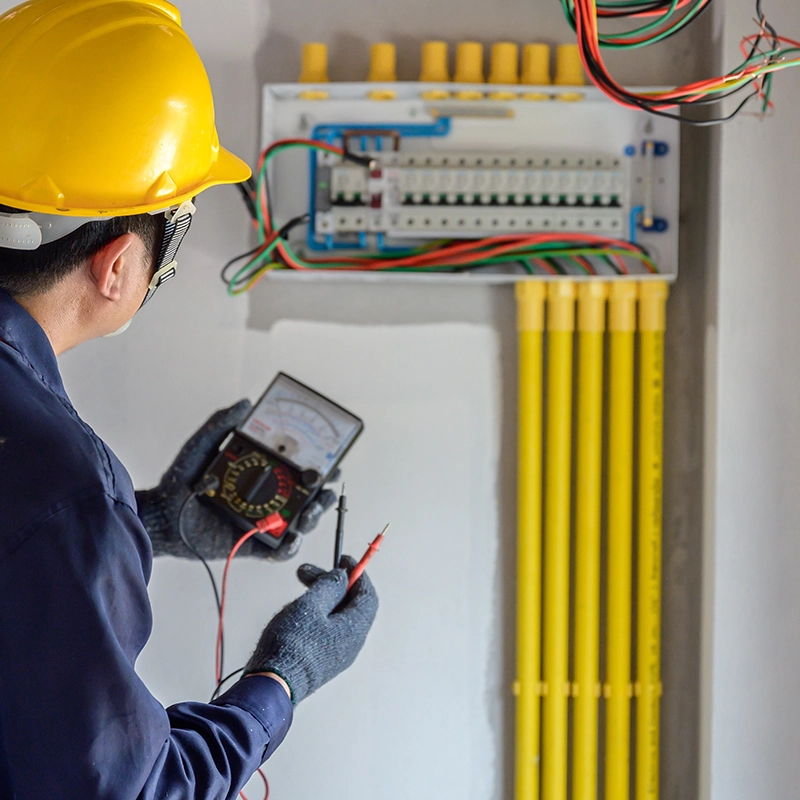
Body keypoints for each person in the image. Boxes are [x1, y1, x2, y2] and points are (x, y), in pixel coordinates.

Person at [0, 0, 379, 798]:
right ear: (115, 267)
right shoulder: (64, 484)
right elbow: (135, 791)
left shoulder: (61, 495)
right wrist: (283, 678)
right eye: (173, 228)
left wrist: (150, 521)